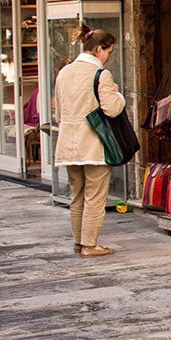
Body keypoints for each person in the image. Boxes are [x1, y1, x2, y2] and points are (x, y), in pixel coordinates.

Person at [54, 25, 124, 258]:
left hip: (67, 144)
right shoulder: (101, 75)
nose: (108, 57)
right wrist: (117, 93)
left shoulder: (64, 72)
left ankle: (78, 242)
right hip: (94, 144)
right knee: (95, 196)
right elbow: (112, 109)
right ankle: (90, 245)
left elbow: (59, 113)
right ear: (97, 50)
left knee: (77, 195)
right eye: (108, 52)